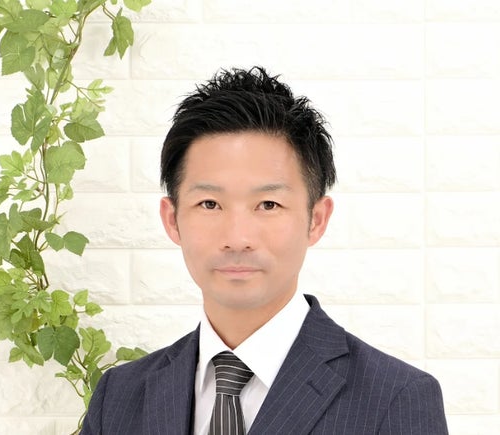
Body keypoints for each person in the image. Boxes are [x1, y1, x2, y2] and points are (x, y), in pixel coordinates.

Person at [81, 66, 448, 434]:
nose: (237, 238)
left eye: (268, 205)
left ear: (316, 219)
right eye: (210, 204)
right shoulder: (119, 396)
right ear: (172, 219)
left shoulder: (395, 398)